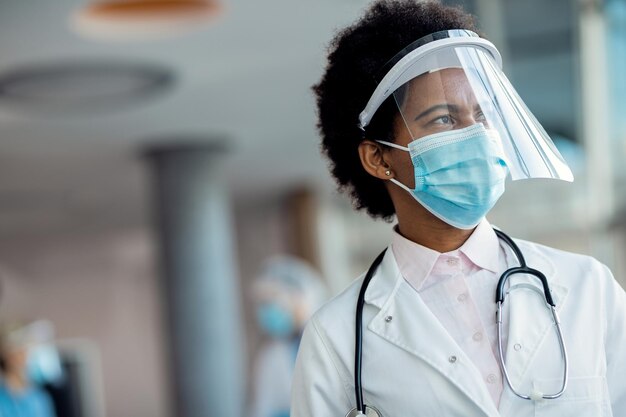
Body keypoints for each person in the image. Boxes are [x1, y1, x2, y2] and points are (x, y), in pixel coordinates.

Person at [291, 1, 626, 416]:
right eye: (444, 120)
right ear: (378, 158)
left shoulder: (587, 289)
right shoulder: (338, 338)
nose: (478, 135)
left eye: (482, 115)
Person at [248, 256, 326, 417]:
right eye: (262, 303)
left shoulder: (330, 341)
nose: (266, 310)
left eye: (272, 300)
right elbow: (262, 409)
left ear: (299, 296)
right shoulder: (271, 356)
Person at [0, 321, 59, 417]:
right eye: (21, 352)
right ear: (9, 357)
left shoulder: (40, 398)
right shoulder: (3, 399)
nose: (27, 357)